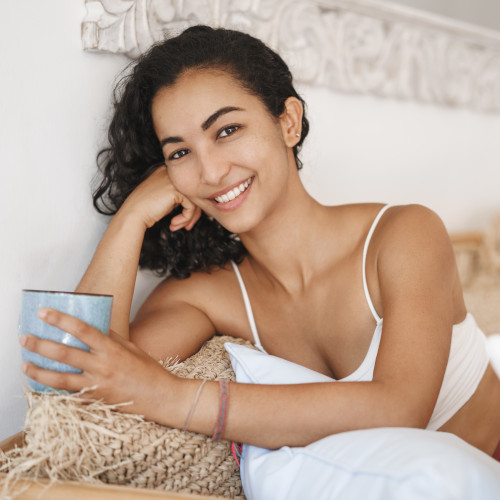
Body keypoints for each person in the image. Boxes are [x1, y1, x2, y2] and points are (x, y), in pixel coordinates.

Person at [19, 25, 500, 461]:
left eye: (227, 130)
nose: (209, 171)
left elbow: (399, 409)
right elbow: (79, 377)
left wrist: (169, 395)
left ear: (288, 122)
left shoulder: (405, 234)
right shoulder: (207, 295)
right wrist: (130, 218)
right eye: (180, 152)